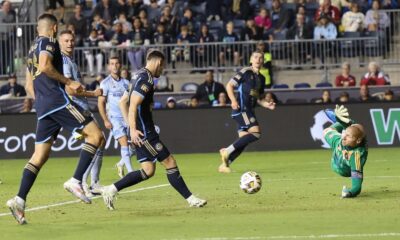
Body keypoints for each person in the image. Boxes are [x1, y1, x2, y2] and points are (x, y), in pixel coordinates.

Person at [6, 14, 104, 225]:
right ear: (54, 28)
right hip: (57, 102)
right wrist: (68, 81)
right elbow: (45, 66)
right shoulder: (49, 42)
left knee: (39, 156)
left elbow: (29, 85)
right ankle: (76, 181)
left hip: (43, 107)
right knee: (97, 136)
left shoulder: (32, 48)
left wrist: (41, 101)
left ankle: (19, 200)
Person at [100, 49, 207, 210]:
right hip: (146, 134)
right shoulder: (146, 79)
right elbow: (133, 104)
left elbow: (123, 102)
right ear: (157, 62)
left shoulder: (137, 75)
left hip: (140, 131)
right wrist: (134, 129)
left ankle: (110, 190)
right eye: (162, 66)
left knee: (148, 170)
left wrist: (130, 126)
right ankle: (191, 199)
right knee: (170, 162)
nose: (162, 70)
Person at [60, 30, 105, 197]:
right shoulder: (64, 62)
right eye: (66, 41)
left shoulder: (71, 61)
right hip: (75, 109)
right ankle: (83, 182)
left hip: (80, 107)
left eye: (72, 40)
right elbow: (70, 90)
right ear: (60, 43)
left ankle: (89, 183)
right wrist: (93, 94)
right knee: (96, 139)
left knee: (98, 140)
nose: (70, 43)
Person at [218, 51, 276, 173]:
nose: (258, 59)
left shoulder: (262, 78)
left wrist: (267, 105)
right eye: (255, 57)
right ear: (251, 59)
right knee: (256, 133)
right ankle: (226, 151)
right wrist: (233, 101)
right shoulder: (245, 72)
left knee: (243, 142)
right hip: (241, 109)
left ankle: (225, 165)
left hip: (250, 111)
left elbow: (259, 98)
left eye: (261, 58)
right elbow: (229, 85)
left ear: (263, 61)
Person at [98, 56, 134, 178]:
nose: (114, 66)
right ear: (109, 66)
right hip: (114, 118)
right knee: (124, 143)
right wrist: (105, 120)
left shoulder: (126, 83)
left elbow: (130, 102)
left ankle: (120, 164)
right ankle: (131, 172)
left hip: (127, 117)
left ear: (120, 65)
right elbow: (101, 103)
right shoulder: (105, 83)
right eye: (112, 63)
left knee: (134, 144)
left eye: (116, 63)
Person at [323, 105, 368, 198]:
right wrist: (340, 121)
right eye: (345, 134)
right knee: (327, 131)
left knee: (353, 129)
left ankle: (343, 122)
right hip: (338, 146)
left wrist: (349, 193)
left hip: (343, 169)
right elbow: (347, 133)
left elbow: (357, 187)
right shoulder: (342, 140)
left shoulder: (355, 156)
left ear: (358, 141)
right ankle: (342, 121)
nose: (343, 137)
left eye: (348, 136)